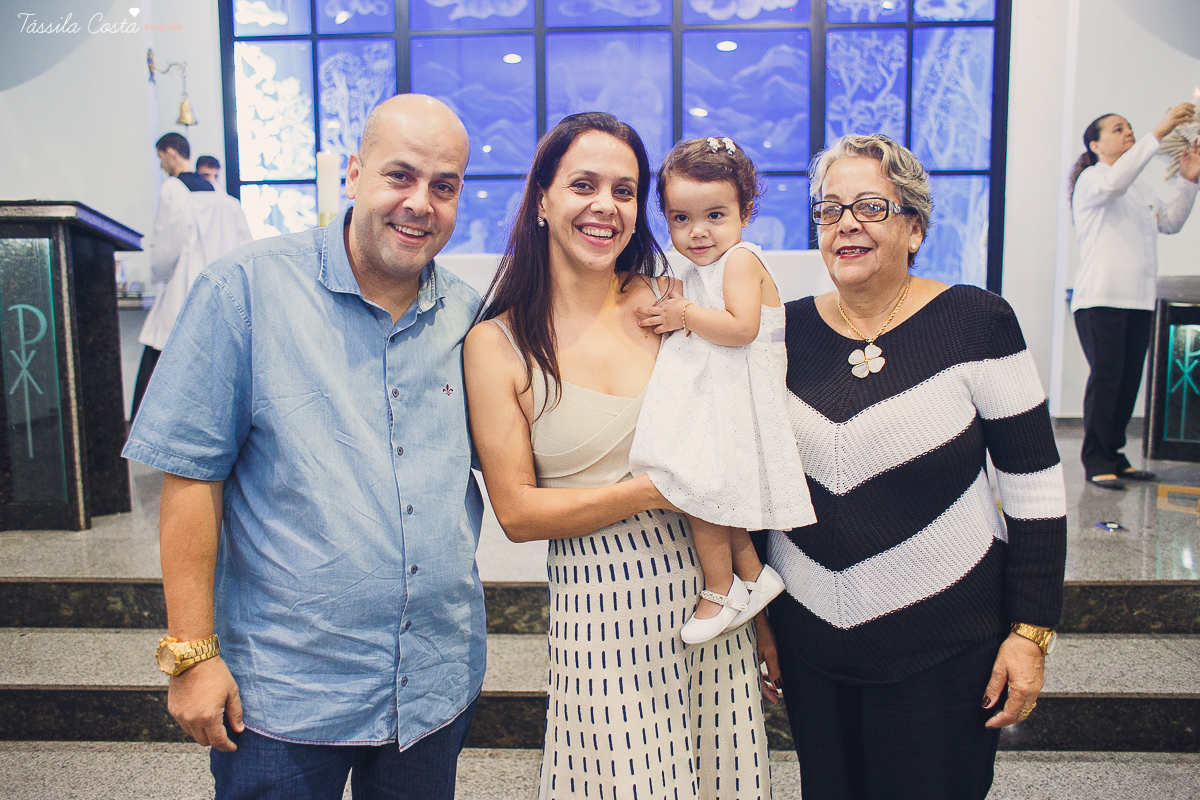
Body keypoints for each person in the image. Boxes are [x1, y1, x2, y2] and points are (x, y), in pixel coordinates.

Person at [122, 95, 485, 799]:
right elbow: (192, 479)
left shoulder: (469, 317)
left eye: (444, 187)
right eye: (399, 176)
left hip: (433, 685)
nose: (420, 203)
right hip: (285, 695)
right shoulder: (246, 290)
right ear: (354, 173)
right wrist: (190, 656)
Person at [465, 112, 774, 800]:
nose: (606, 205)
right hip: (602, 610)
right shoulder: (497, 343)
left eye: (626, 190)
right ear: (542, 199)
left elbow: (739, 424)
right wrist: (652, 489)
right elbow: (515, 512)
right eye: (584, 184)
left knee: (722, 778)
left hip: (707, 601)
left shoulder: (670, 302)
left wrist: (758, 602)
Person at [766, 133, 1067, 800]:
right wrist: (763, 618)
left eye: (871, 206)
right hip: (812, 651)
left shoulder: (975, 322)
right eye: (829, 208)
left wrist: (1030, 633)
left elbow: (1035, 489)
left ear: (915, 227)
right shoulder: (781, 333)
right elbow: (760, 485)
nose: (845, 222)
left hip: (944, 647)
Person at [629, 136, 813, 645]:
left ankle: (720, 587)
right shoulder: (698, 267)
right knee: (714, 494)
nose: (698, 232)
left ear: (746, 210)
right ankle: (753, 574)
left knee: (699, 488)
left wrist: (684, 314)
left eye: (715, 215)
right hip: (720, 394)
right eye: (681, 219)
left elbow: (741, 328)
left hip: (741, 398)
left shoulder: (741, 260)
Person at [1068, 103, 1200, 489]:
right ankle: (1096, 461)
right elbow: (1115, 183)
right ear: (1094, 144)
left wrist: (1188, 181)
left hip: (1139, 301)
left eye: (1130, 127)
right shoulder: (1094, 179)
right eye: (1117, 128)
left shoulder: (1139, 188)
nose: (1128, 132)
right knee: (1107, 379)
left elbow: (1171, 223)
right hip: (1101, 299)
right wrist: (1160, 130)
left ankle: (1115, 454)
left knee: (1127, 381)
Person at [131, 134, 252, 420]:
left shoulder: (173, 189)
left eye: (161, 157)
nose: (161, 165)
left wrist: (158, 271)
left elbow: (168, 244)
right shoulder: (223, 198)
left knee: (169, 362)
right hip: (223, 292)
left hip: (185, 286)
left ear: (171, 154)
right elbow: (245, 244)